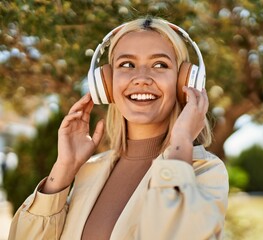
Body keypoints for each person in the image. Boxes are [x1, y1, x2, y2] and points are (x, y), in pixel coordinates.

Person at [9, 17, 229, 240]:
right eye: (127, 64)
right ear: (106, 83)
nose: (141, 78)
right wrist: (65, 168)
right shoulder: (91, 170)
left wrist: (181, 139)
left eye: (160, 65)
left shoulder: (205, 172)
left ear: (185, 83)